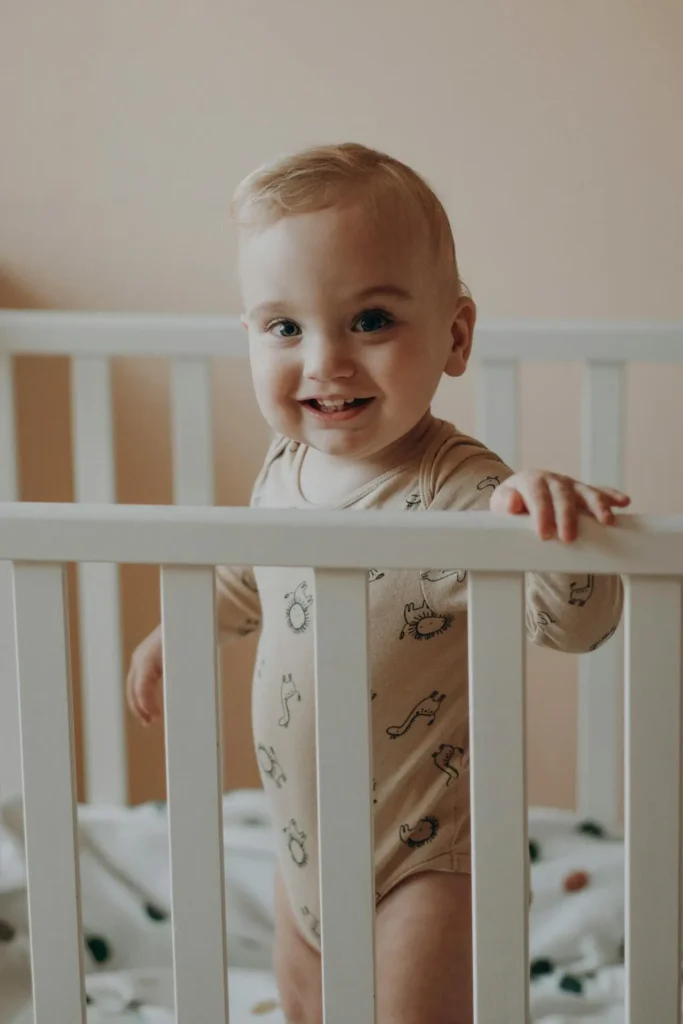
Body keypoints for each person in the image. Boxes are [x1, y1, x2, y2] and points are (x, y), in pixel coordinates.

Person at [127, 143, 628, 1024]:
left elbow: (573, 624)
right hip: (303, 848)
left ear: (456, 335)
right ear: (249, 334)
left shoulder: (464, 494)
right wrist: (188, 620)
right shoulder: (282, 470)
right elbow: (254, 578)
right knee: (306, 1009)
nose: (324, 360)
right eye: (285, 328)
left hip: (425, 859)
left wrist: (553, 530)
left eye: (368, 321)